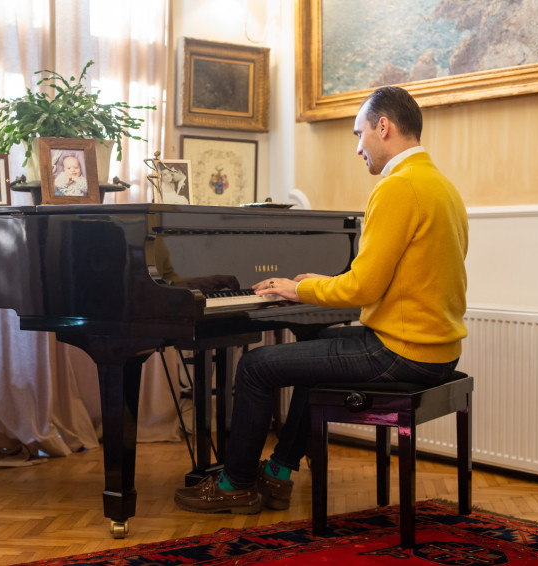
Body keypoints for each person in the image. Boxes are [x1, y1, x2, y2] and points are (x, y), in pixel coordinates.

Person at [174, 86, 468, 514]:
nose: (358, 148)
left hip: (401, 352)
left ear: (383, 127)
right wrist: (325, 282)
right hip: (437, 350)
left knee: (255, 367)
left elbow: (363, 289)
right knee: (312, 349)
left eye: (359, 134)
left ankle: (235, 484)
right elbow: (403, 278)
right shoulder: (442, 186)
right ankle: (278, 472)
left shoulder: (398, 188)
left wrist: (297, 289)